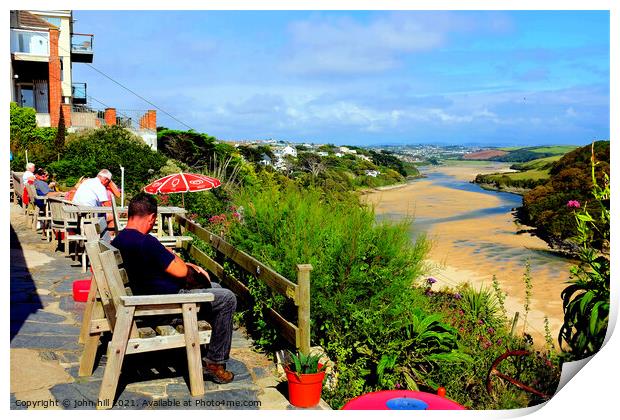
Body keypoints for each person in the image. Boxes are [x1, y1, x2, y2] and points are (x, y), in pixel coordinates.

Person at [111, 193, 236, 384]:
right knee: (227, 298)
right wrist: (177, 258)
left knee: (215, 288)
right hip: (164, 307)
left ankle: (207, 348)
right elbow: (180, 271)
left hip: (142, 301)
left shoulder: (119, 240)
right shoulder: (146, 241)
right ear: (152, 217)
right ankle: (214, 363)